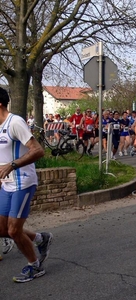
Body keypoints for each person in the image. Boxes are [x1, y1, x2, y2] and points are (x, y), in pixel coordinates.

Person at [0, 87, 53, 283]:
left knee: (14, 230)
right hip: (6, 184)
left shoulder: (15, 123)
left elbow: (38, 151)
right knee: (2, 229)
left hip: (23, 182)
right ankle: (41, 239)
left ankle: (34, 265)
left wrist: (12, 165)